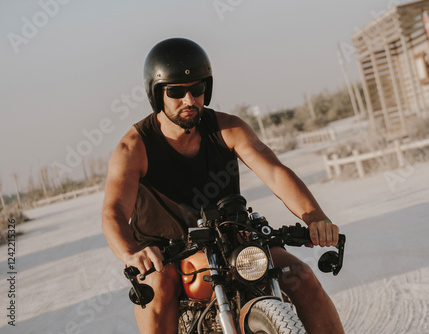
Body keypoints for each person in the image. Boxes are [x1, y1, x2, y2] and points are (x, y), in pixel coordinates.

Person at [102, 38, 344, 334]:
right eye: (177, 92)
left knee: (302, 276)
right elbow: (113, 211)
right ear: (157, 93)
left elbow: (275, 172)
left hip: (232, 236)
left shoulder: (228, 128)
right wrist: (131, 253)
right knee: (159, 286)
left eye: (198, 89)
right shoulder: (134, 147)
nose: (189, 100)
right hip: (168, 251)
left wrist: (314, 216)